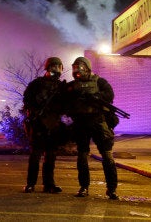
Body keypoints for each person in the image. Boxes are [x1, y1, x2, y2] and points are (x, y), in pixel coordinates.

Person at [65, 56, 119, 200]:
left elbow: (109, 95)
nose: (77, 70)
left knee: (107, 155)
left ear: (87, 68)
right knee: (82, 156)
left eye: (80, 67)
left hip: (98, 121)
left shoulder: (99, 82)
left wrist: (95, 96)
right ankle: (84, 187)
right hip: (81, 123)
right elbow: (64, 102)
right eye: (75, 67)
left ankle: (111, 189)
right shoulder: (71, 86)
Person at [22, 57, 66, 194]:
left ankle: (49, 184)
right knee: (35, 155)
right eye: (53, 67)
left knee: (51, 156)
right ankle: (30, 184)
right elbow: (27, 100)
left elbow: (66, 104)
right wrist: (34, 112)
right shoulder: (36, 84)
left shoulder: (61, 86)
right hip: (38, 124)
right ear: (47, 68)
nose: (56, 70)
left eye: (58, 67)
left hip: (53, 124)